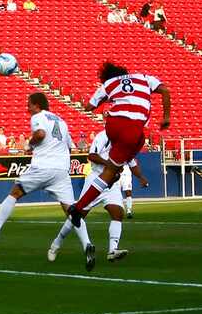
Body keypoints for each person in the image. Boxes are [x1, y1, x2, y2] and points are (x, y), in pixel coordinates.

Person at [0, 92, 96, 271]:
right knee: (72, 211)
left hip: (42, 167)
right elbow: (71, 146)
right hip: (61, 171)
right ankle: (87, 244)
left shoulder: (38, 117)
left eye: (29, 104)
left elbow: (40, 134)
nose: (27, 107)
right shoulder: (61, 121)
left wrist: (29, 145)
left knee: (15, 192)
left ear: (36, 105)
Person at [68, 61, 171, 228]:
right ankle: (78, 208)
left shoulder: (109, 83)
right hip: (131, 127)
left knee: (138, 143)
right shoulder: (143, 78)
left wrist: (108, 97)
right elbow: (165, 91)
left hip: (113, 125)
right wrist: (166, 117)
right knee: (113, 169)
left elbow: (88, 107)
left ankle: (117, 169)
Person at [49, 130, 149, 263]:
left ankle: (112, 250)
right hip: (96, 179)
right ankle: (56, 243)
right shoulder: (103, 136)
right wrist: (109, 164)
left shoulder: (126, 141)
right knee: (77, 216)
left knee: (118, 213)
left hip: (112, 182)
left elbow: (132, 163)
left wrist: (141, 177)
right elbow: (92, 155)